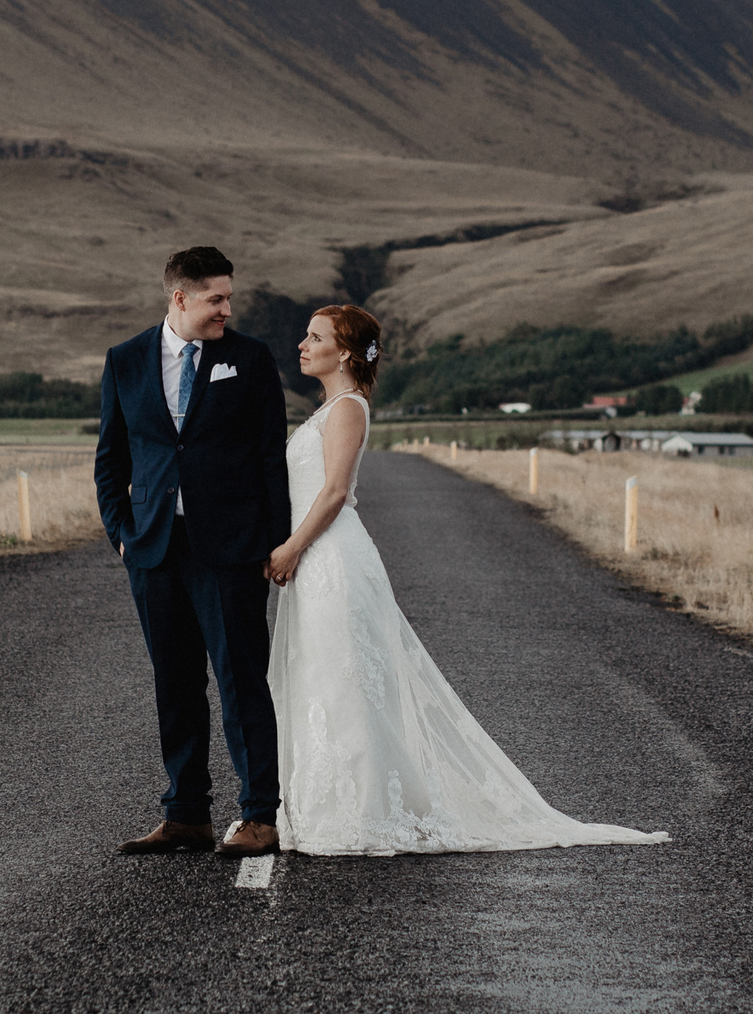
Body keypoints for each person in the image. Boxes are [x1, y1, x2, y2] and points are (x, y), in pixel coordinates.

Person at [266, 303, 670, 855]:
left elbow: (334, 492)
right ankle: (326, 803)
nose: (302, 345)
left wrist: (290, 547)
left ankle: (359, 811)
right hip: (318, 560)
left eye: (315, 337)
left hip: (331, 558)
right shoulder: (331, 407)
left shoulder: (347, 410)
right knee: (326, 677)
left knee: (346, 679)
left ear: (344, 352)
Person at [95, 246, 292, 858]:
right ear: (179, 298)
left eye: (229, 299)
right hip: (154, 548)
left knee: (240, 680)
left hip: (231, 549)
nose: (226, 310)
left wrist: (276, 541)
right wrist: (122, 533)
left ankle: (260, 813)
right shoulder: (125, 360)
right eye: (216, 299)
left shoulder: (250, 359)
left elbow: (269, 459)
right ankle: (185, 815)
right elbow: (112, 459)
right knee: (174, 682)